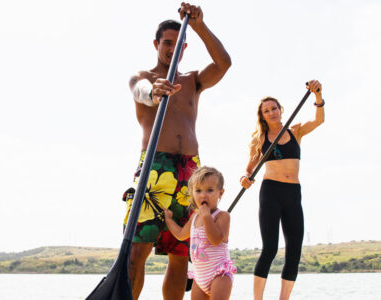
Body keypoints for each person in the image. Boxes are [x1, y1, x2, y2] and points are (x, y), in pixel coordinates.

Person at [122, 3, 231, 300]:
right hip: (156, 168)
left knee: (182, 252)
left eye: (177, 44)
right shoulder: (142, 76)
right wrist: (154, 91)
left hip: (191, 172)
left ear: (183, 48)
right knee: (138, 249)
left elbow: (224, 64)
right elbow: (139, 91)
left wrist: (199, 26)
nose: (172, 48)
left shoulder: (192, 81)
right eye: (166, 43)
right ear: (157, 44)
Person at [240, 80, 325, 300]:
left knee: (294, 250)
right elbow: (249, 170)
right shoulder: (259, 139)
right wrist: (245, 178)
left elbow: (319, 120)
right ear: (263, 115)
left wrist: (317, 95)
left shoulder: (295, 131)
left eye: (274, 108)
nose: (271, 112)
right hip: (271, 192)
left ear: (280, 110)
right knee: (270, 248)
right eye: (266, 110)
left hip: (293, 194)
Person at [164, 166, 236, 300]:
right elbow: (180, 234)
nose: (203, 195)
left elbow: (215, 240)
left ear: (220, 193)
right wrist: (168, 220)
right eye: (198, 190)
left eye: (209, 190)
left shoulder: (222, 216)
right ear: (192, 193)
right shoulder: (194, 217)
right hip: (200, 277)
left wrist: (207, 218)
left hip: (219, 274)